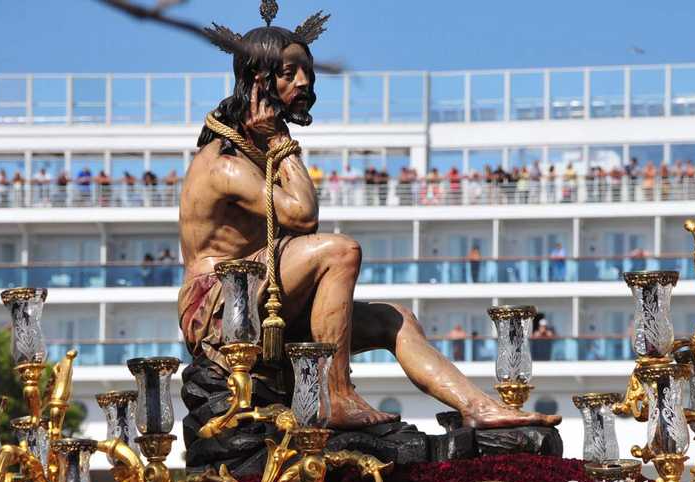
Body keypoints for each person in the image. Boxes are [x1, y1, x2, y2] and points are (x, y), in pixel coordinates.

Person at [179, 17, 559, 431]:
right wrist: (279, 142)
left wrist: (274, 141)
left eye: (308, 71)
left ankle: (478, 407)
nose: (305, 82)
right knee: (340, 251)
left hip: (267, 295)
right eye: (290, 73)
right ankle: (335, 396)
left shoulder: (254, 149)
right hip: (222, 305)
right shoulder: (224, 162)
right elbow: (303, 216)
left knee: (393, 318)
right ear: (258, 80)